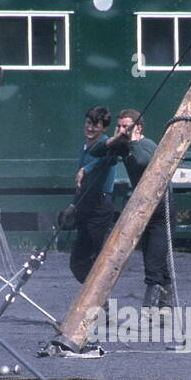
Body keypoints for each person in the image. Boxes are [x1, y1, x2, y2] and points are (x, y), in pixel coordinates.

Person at [90, 108, 174, 307]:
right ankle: (166, 305)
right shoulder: (124, 145)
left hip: (161, 204)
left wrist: (133, 140)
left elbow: (142, 161)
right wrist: (114, 140)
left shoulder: (146, 145)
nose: (121, 130)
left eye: (125, 127)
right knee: (152, 253)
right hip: (145, 203)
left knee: (155, 254)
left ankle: (153, 306)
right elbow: (95, 151)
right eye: (119, 126)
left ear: (138, 128)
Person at [68, 105, 118, 284]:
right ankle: (95, 299)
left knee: (93, 258)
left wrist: (86, 169)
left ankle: (99, 301)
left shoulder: (107, 144)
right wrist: (73, 205)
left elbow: (110, 159)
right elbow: (81, 184)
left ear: (103, 128)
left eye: (95, 125)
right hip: (84, 203)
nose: (90, 128)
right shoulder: (84, 145)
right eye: (88, 123)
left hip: (100, 205)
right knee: (77, 262)